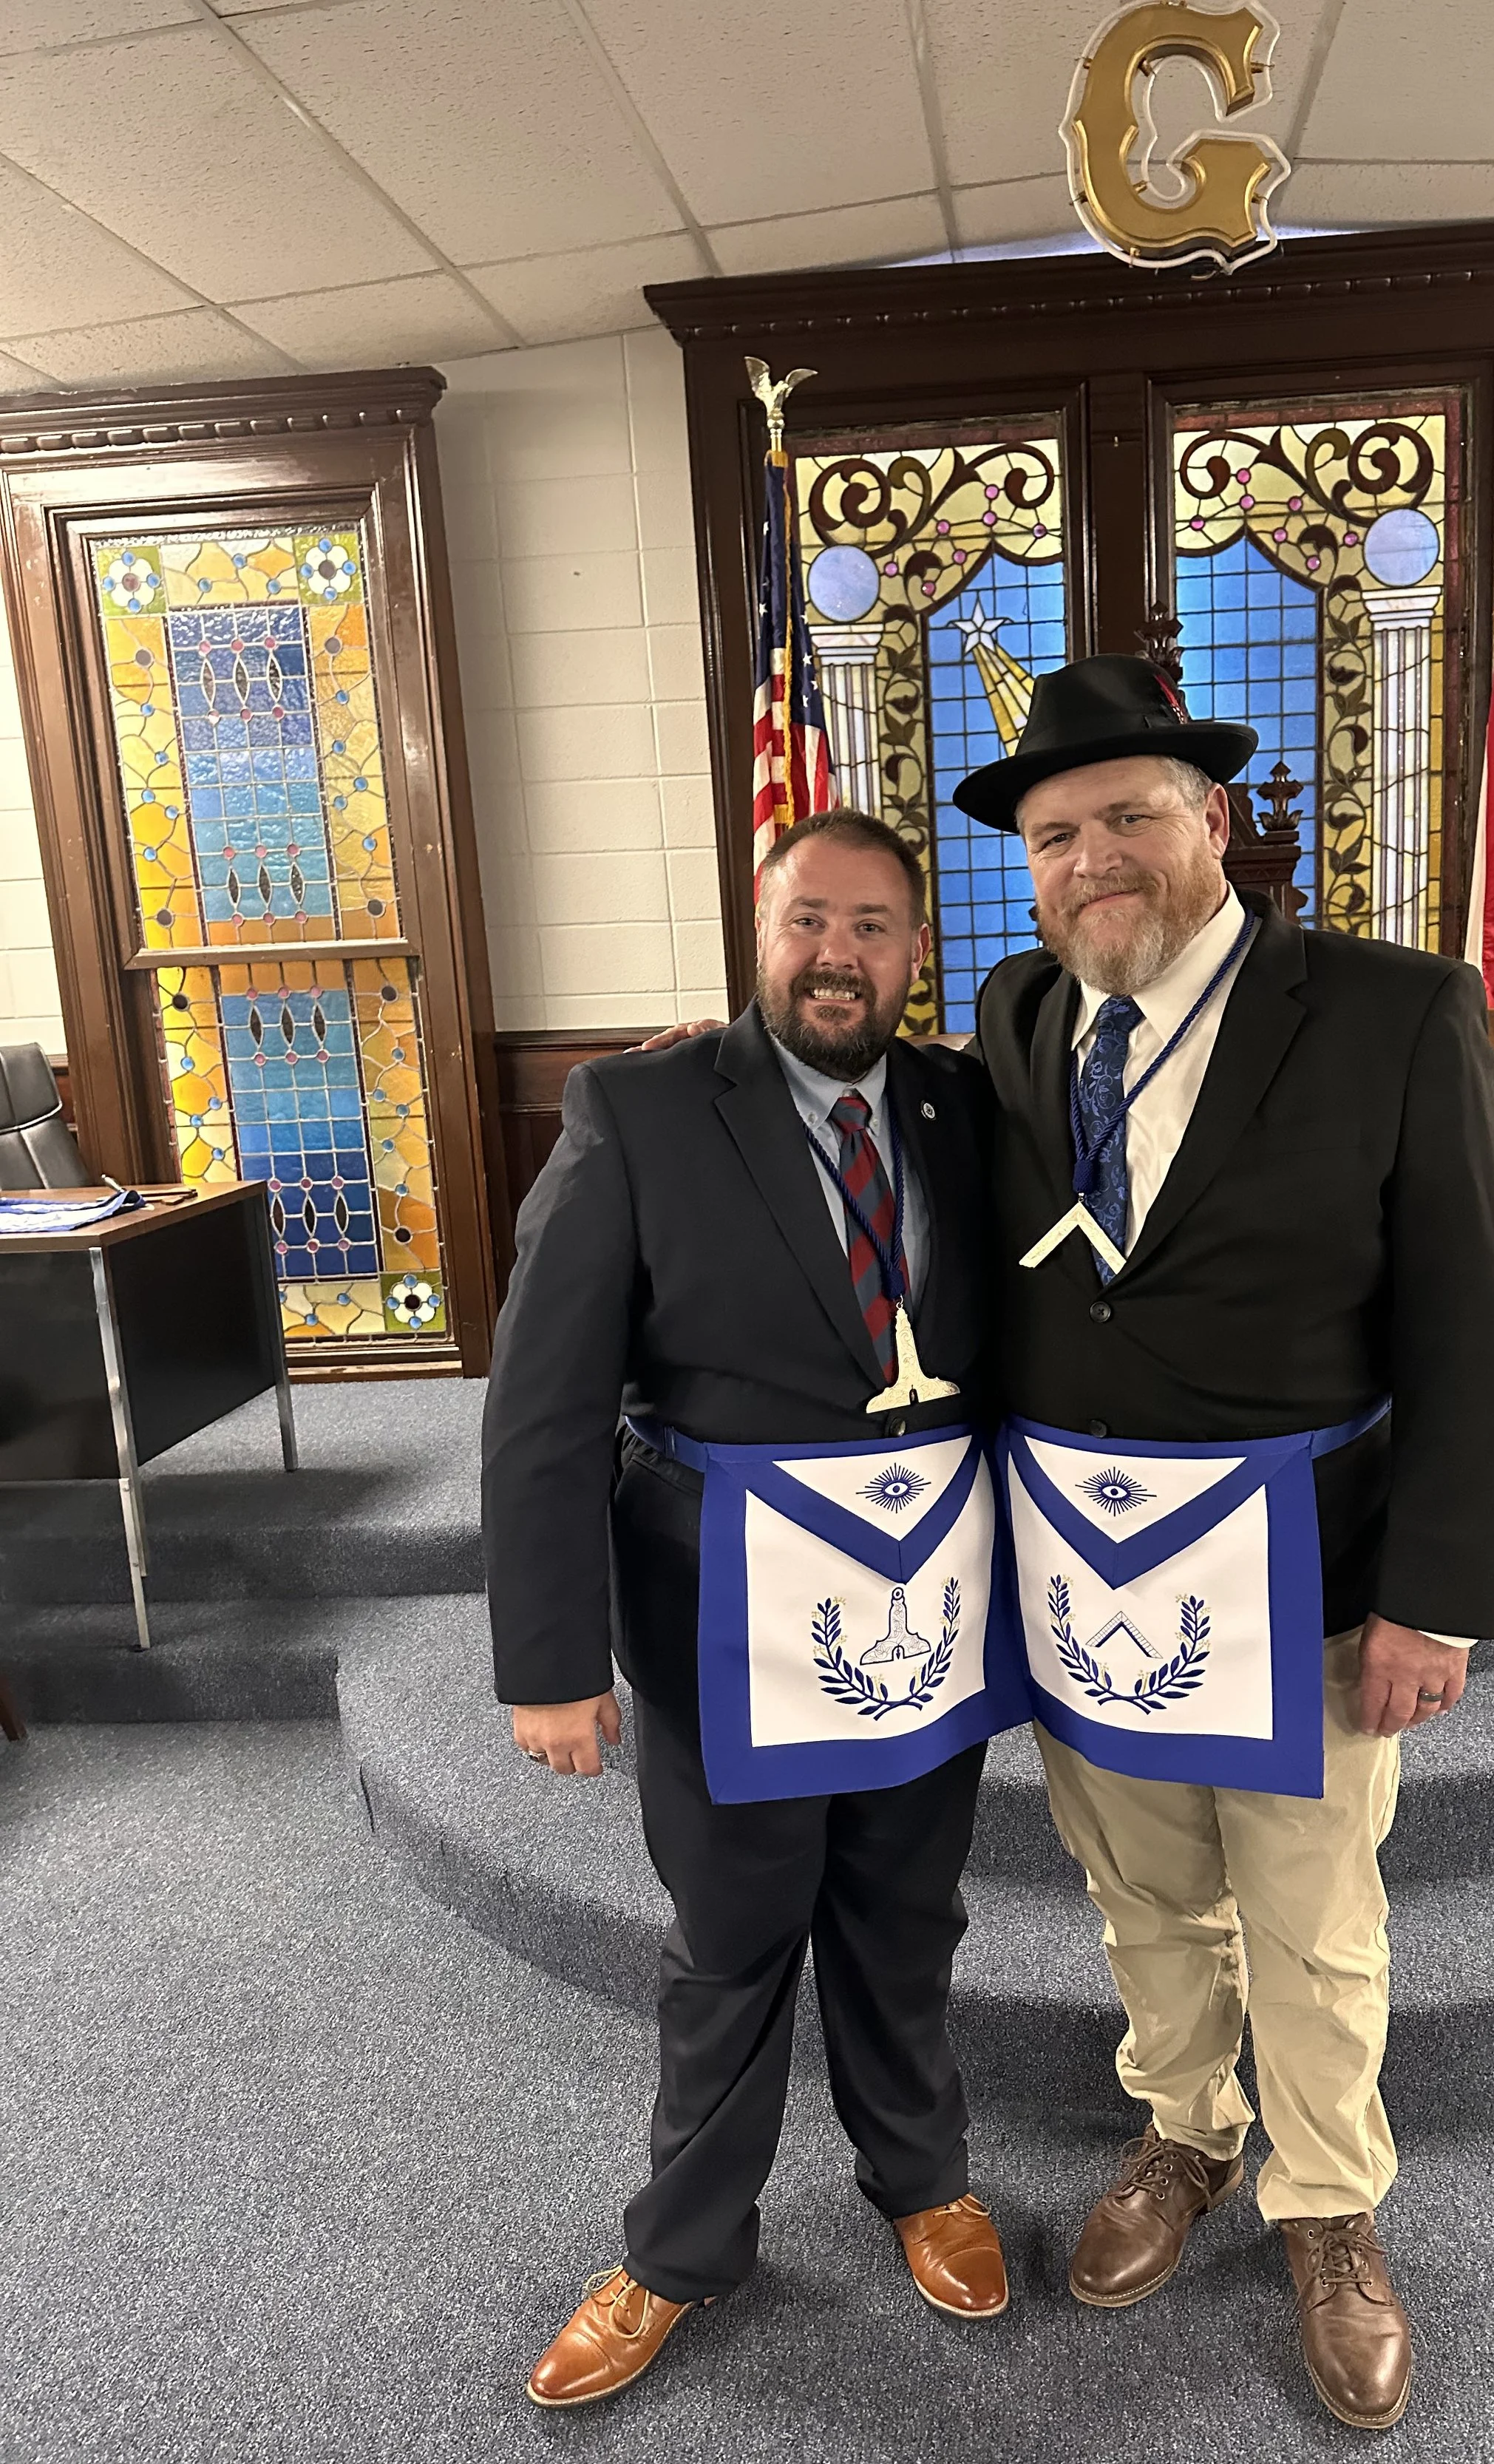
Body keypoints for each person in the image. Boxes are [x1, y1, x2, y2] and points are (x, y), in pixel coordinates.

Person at [957, 655, 1494, 2432]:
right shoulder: (1015, 1011)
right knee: (1139, 1892)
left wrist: (1432, 1597)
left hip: (1307, 1570)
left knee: (1310, 1911)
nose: (1089, 860)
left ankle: (1329, 2203)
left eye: (1127, 816)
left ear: (1211, 819)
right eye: (1053, 835)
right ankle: (1187, 2132)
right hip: (1086, 1574)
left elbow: (1475, 1324)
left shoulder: (1390, 1010)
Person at [481, 810, 1011, 2412]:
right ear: (758, 934)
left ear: (915, 951)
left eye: (870, 926)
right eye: (807, 921)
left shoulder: (964, 1109)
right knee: (731, 1939)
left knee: (905, 1913)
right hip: (725, 1618)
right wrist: (552, 1657)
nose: (836, 954)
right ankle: (680, 2246)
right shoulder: (636, 1108)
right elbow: (543, 1405)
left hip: (922, 1599)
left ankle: (921, 2178)